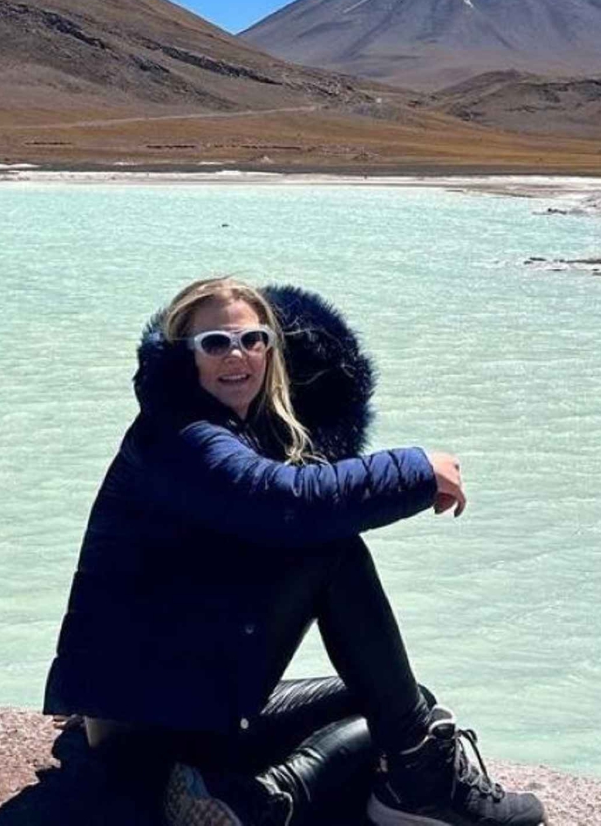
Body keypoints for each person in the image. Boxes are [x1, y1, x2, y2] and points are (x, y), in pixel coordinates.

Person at [43, 276, 546, 826]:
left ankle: (268, 798)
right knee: (331, 552)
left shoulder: (241, 433)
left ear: (271, 350)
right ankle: (405, 785)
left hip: (151, 712)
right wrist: (418, 471)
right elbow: (288, 503)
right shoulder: (182, 435)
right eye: (215, 343)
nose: (237, 355)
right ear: (184, 357)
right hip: (148, 731)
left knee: (400, 705)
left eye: (252, 340)